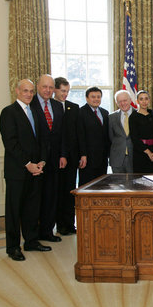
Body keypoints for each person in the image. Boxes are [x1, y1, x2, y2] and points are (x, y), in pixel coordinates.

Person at [0, 79, 51, 261]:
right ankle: (12, 247)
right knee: (14, 211)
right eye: (25, 91)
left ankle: (31, 241)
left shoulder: (35, 112)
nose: (29, 94)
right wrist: (27, 164)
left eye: (31, 91)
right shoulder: (8, 113)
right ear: (17, 91)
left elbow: (43, 139)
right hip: (18, 172)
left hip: (37, 169)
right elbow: (11, 143)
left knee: (32, 208)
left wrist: (41, 162)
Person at [30, 74, 64, 243]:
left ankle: (48, 231)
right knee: (36, 198)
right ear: (38, 86)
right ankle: (33, 235)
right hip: (36, 161)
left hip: (55, 159)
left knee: (52, 196)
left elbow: (62, 134)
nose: (48, 90)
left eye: (51, 88)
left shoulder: (58, 106)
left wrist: (63, 154)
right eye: (45, 87)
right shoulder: (30, 104)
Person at [53, 77, 84, 235]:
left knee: (70, 192)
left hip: (72, 158)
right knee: (57, 193)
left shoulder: (74, 107)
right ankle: (59, 225)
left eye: (67, 91)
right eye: (62, 91)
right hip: (55, 158)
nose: (65, 94)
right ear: (55, 90)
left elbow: (78, 133)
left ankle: (69, 224)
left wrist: (82, 154)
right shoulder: (50, 107)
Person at [78, 86, 110, 186]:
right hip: (88, 158)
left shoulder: (105, 113)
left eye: (98, 97)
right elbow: (80, 135)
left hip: (102, 157)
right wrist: (83, 155)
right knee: (87, 186)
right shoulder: (80, 112)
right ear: (87, 98)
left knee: (102, 185)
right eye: (93, 97)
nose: (96, 99)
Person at [129, 90, 153, 173]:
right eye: (141, 99)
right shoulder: (133, 117)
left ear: (149, 100)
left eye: (146, 99)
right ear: (137, 101)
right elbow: (134, 138)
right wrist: (148, 153)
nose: (144, 101)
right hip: (140, 153)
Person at [109, 90, 134, 173]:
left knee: (135, 185)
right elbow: (110, 137)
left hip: (134, 158)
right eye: (120, 101)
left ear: (130, 100)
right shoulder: (111, 117)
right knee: (118, 185)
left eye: (125, 100)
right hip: (117, 159)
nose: (123, 103)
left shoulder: (138, 114)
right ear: (116, 103)